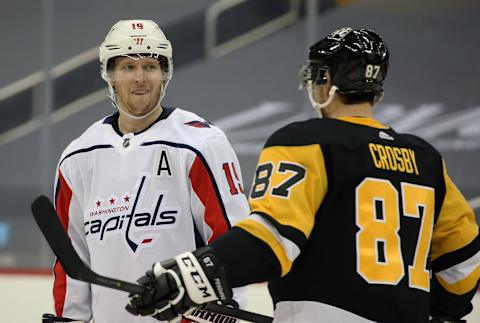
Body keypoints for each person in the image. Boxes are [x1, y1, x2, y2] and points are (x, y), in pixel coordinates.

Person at [125, 27, 480, 323]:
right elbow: (464, 264)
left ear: (325, 82)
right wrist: (439, 312)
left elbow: (271, 241)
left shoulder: (306, 141)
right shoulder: (425, 158)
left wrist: (190, 271)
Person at [50, 19, 249, 323]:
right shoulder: (78, 157)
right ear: (110, 75)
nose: (140, 78)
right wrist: (69, 319)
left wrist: (229, 314)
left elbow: (231, 241)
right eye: (128, 67)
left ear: (164, 75)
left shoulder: (199, 143)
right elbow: (71, 258)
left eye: (150, 66)